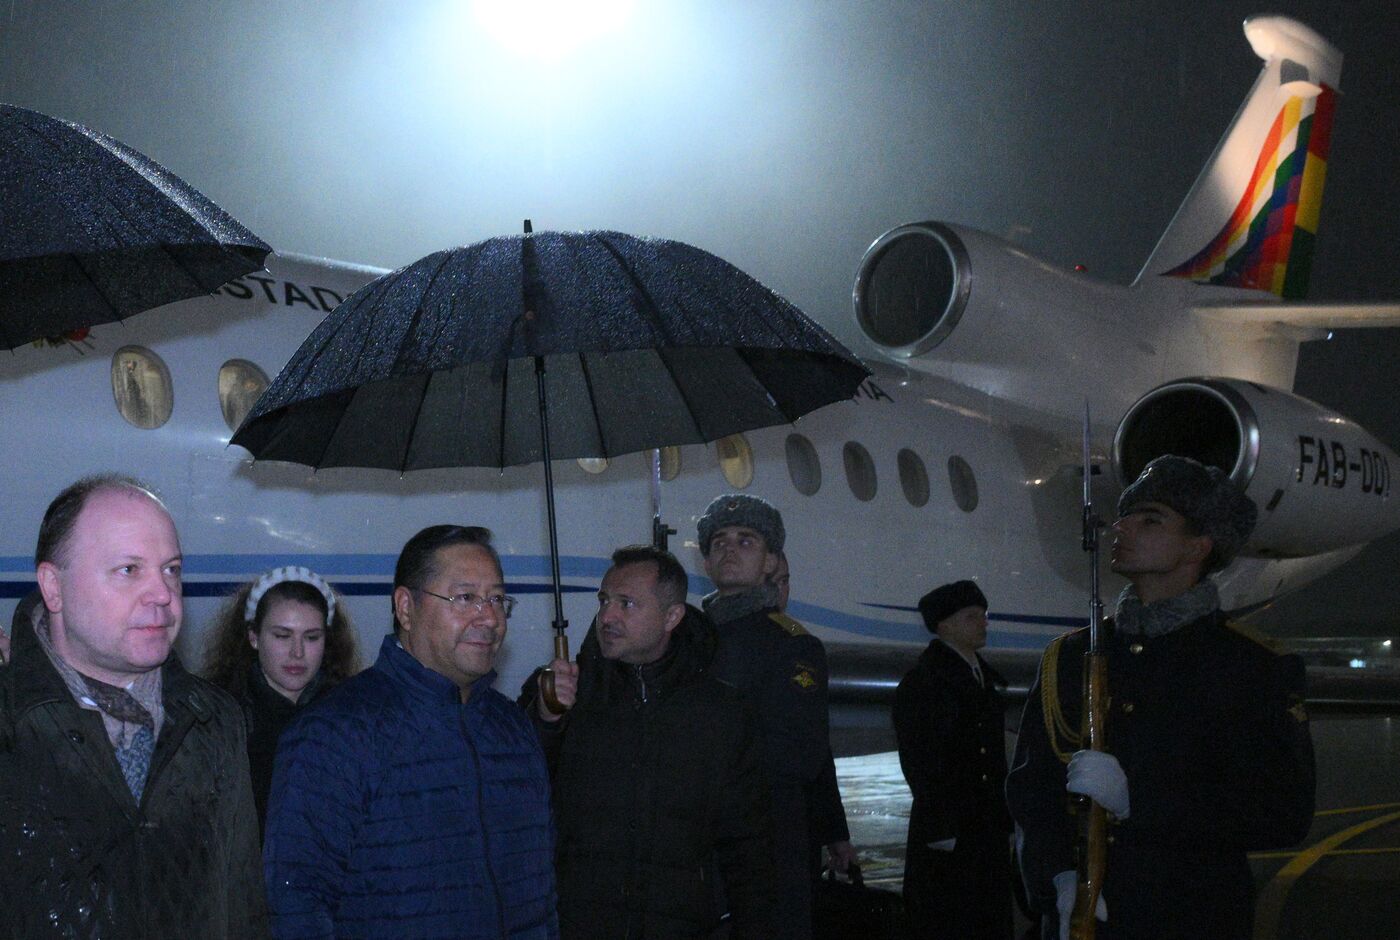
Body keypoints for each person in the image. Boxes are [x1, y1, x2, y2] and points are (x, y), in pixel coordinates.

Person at [1007, 456, 1316, 940]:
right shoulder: (1069, 656)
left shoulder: (1251, 666)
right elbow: (1032, 790)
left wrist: (1140, 801)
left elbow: (1280, 812)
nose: (1122, 526)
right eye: (1126, 515)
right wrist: (1056, 881)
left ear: (1199, 545)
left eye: (1150, 519)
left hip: (1190, 917)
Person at [0, 474, 267, 938]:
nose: (163, 593)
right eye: (129, 570)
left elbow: (243, 910)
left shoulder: (215, 722)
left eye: (171, 569)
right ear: (53, 587)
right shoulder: (12, 726)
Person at [263, 525, 558, 939]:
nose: (489, 617)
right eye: (465, 597)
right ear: (406, 607)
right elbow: (297, 906)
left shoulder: (512, 732)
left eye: (496, 599)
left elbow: (541, 900)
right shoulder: (334, 733)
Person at [526, 545, 775, 938]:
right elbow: (518, 790)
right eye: (604, 600)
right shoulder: (562, 694)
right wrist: (546, 719)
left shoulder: (721, 714)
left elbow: (749, 845)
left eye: (627, 604)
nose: (606, 616)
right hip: (579, 925)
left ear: (672, 617)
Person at [698, 494, 830, 940]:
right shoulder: (688, 641)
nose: (729, 549)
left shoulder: (791, 644)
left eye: (746, 540)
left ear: (771, 559)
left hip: (764, 849)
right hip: (700, 850)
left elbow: (800, 754)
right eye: (718, 541)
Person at [202, 565, 362, 834]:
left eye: (311, 637)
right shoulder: (218, 718)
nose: (297, 653)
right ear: (253, 637)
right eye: (282, 636)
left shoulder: (353, 718)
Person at [894, 579, 1013, 940]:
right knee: (952, 918)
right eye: (972, 616)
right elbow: (922, 761)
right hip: (954, 831)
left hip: (982, 829)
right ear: (944, 625)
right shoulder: (926, 684)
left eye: (983, 615)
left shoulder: (978, 680)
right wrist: (942, 829)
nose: (983, 623)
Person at [771, 551, 858, 880]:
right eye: (772, 581)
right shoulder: (795, 644)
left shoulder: (801, 643)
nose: (780, 591)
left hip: (794, 819)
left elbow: (817, 745)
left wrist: (836, 831)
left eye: (785, 581)